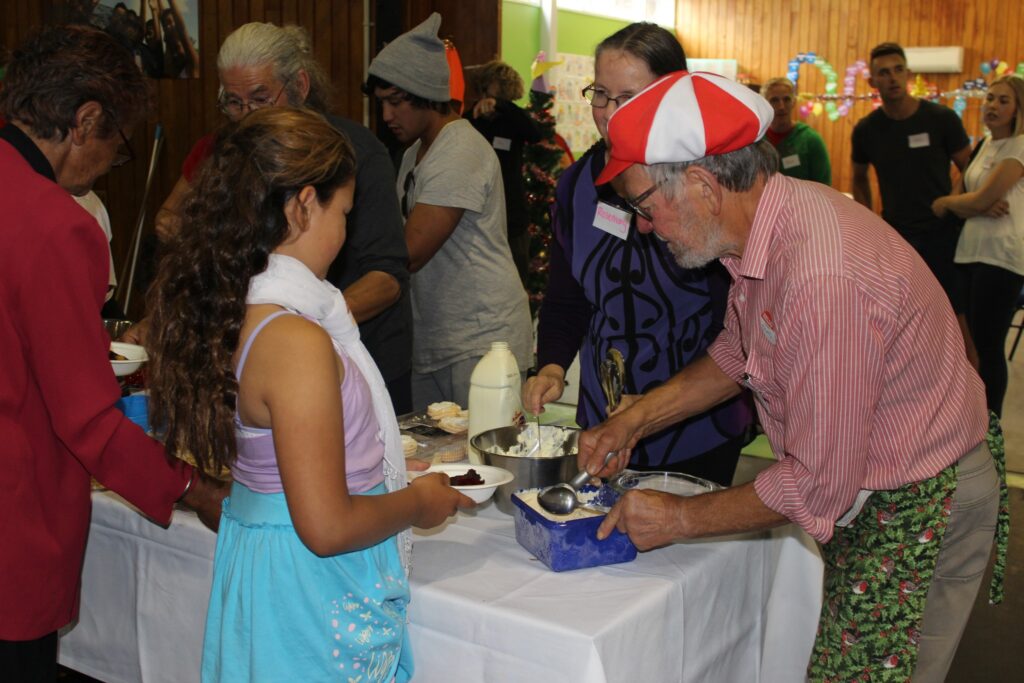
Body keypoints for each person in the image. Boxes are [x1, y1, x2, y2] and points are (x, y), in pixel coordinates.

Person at [579, 70, 1006, 682]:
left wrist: (678, 519)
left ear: (702, 185)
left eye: (645, 206)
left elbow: (815, 485)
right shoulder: (763, 225)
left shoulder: (819, 278)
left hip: (920, 500)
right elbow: (740, 351)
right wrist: (637, 419)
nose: (644, 226)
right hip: (875, 481)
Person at [145, 107, 474, 682]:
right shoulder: (294, 340)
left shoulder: (238, 309)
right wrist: (416, 503)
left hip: (273, 565)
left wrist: (375, 466)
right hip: (304, 588)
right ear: (302, 205)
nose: (344, 234)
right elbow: (326, 527)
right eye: (342, 212)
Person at [0, 25, 224, 680]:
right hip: (14, 526)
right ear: (85, 120)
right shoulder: (57, 225)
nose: (107, 164)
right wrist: (191, 486)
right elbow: (87, 419)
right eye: (115, 146)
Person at [521, 22, 751, 485]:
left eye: (628, 98)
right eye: (600, 94)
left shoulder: (703, 186)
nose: (608, 114)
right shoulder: (575, 187)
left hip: (696, 424)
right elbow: (567, 298)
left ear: (672, 97)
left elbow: (735, 323)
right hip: (604, 419)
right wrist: (552, 366)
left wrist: (656, 407)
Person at [151, 22, 414, 413]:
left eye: (260, 98)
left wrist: (309, 318)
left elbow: (387, 277)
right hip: (265, 349)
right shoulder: (230, 152)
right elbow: (170, 221)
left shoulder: (356, 154)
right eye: (233, 102)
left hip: (361, 350)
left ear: (300, 86)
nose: (246, 115)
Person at [366, 13, 532, 408]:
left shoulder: (459, 149)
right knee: (438, 446)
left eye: (396, 102)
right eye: (381, 103)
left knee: (486, 448)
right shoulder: (413, 154)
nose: (386, 116)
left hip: (481, 340)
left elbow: (409, 252)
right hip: (439, 339)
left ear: (426, 92)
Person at [852, 42, 976, 361]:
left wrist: (953, 199)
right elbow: (858, 178)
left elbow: (971, 168)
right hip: (897, 236)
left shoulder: (941, 118)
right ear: (873, 82)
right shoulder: (867, 130)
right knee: (905, 319)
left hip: (942, 233)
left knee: (956, 318)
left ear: (908, 74)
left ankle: (972, 382)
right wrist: (869, 221)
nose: (892, 78)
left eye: (898, 70)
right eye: (884, 72)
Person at [933, 75, 1024, 417]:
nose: (993, 106)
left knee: (989, 345)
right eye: (990, 98)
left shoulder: (1019, 146)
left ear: (1018, 109)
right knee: (970, 344)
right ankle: (973, 417)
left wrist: (957, 203)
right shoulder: (985, 144)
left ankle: (992, 425)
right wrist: (970, 204)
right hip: (969, 252)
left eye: (1003, 101)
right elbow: (964, 198)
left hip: (1000, 256)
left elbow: (964, 200)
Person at [465, 60, 542, 284]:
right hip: (479, 210)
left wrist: (501, 105)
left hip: (512, 213)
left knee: (516, 277)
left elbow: (535, 133)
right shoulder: (474, 117)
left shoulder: (513, 118)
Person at [760, 77, 831, 184]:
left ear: (793, 102)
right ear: (764, 104)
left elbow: (824, 186)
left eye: (786, 99)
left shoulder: (811, 140)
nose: (781, 106)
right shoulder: (756, 140)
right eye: (774, 100)